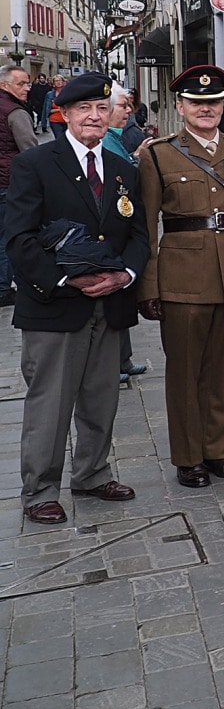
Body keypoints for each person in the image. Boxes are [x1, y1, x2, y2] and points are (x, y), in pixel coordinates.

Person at [6, 73, 149, 524]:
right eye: (84, 109)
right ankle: (40, 491)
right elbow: (19, 238)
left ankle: (92, 473)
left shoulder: (124, 169)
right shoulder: (36, 164)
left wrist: (125, 274)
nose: (94, 116)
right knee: (50, 403)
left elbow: (140, 234)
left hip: (110, 302)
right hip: (56, 305)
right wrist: (66, 281)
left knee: (101, 398)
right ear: (64, 114)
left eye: (102, 108)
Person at [138, 66, 224, 489]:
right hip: (183, 279)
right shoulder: (158, 155)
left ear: (223, 106)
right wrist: (149, 286)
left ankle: (217, 451)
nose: (206, 109)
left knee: (223, 370)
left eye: (213, 102)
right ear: (180, 107)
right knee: (185, 372)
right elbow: (146, 227)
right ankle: (188, 457)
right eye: (196, 103)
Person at [102, 87, 148, 380]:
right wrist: (138, 157)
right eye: (123, 106)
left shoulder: (116, 137)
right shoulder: (107, 140)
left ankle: (123, 360)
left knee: (121, 296)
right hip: (112, 234)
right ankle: (115, 363)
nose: (129, 111)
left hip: (124, 235)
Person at [0, 64, 42, 307]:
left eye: (28, 83)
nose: (27, 88)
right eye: (21, 84)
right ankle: (3, 288)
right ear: (4, 85)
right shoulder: (15, 112)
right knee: (8, 236)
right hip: (8, 182)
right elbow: (30, 150)